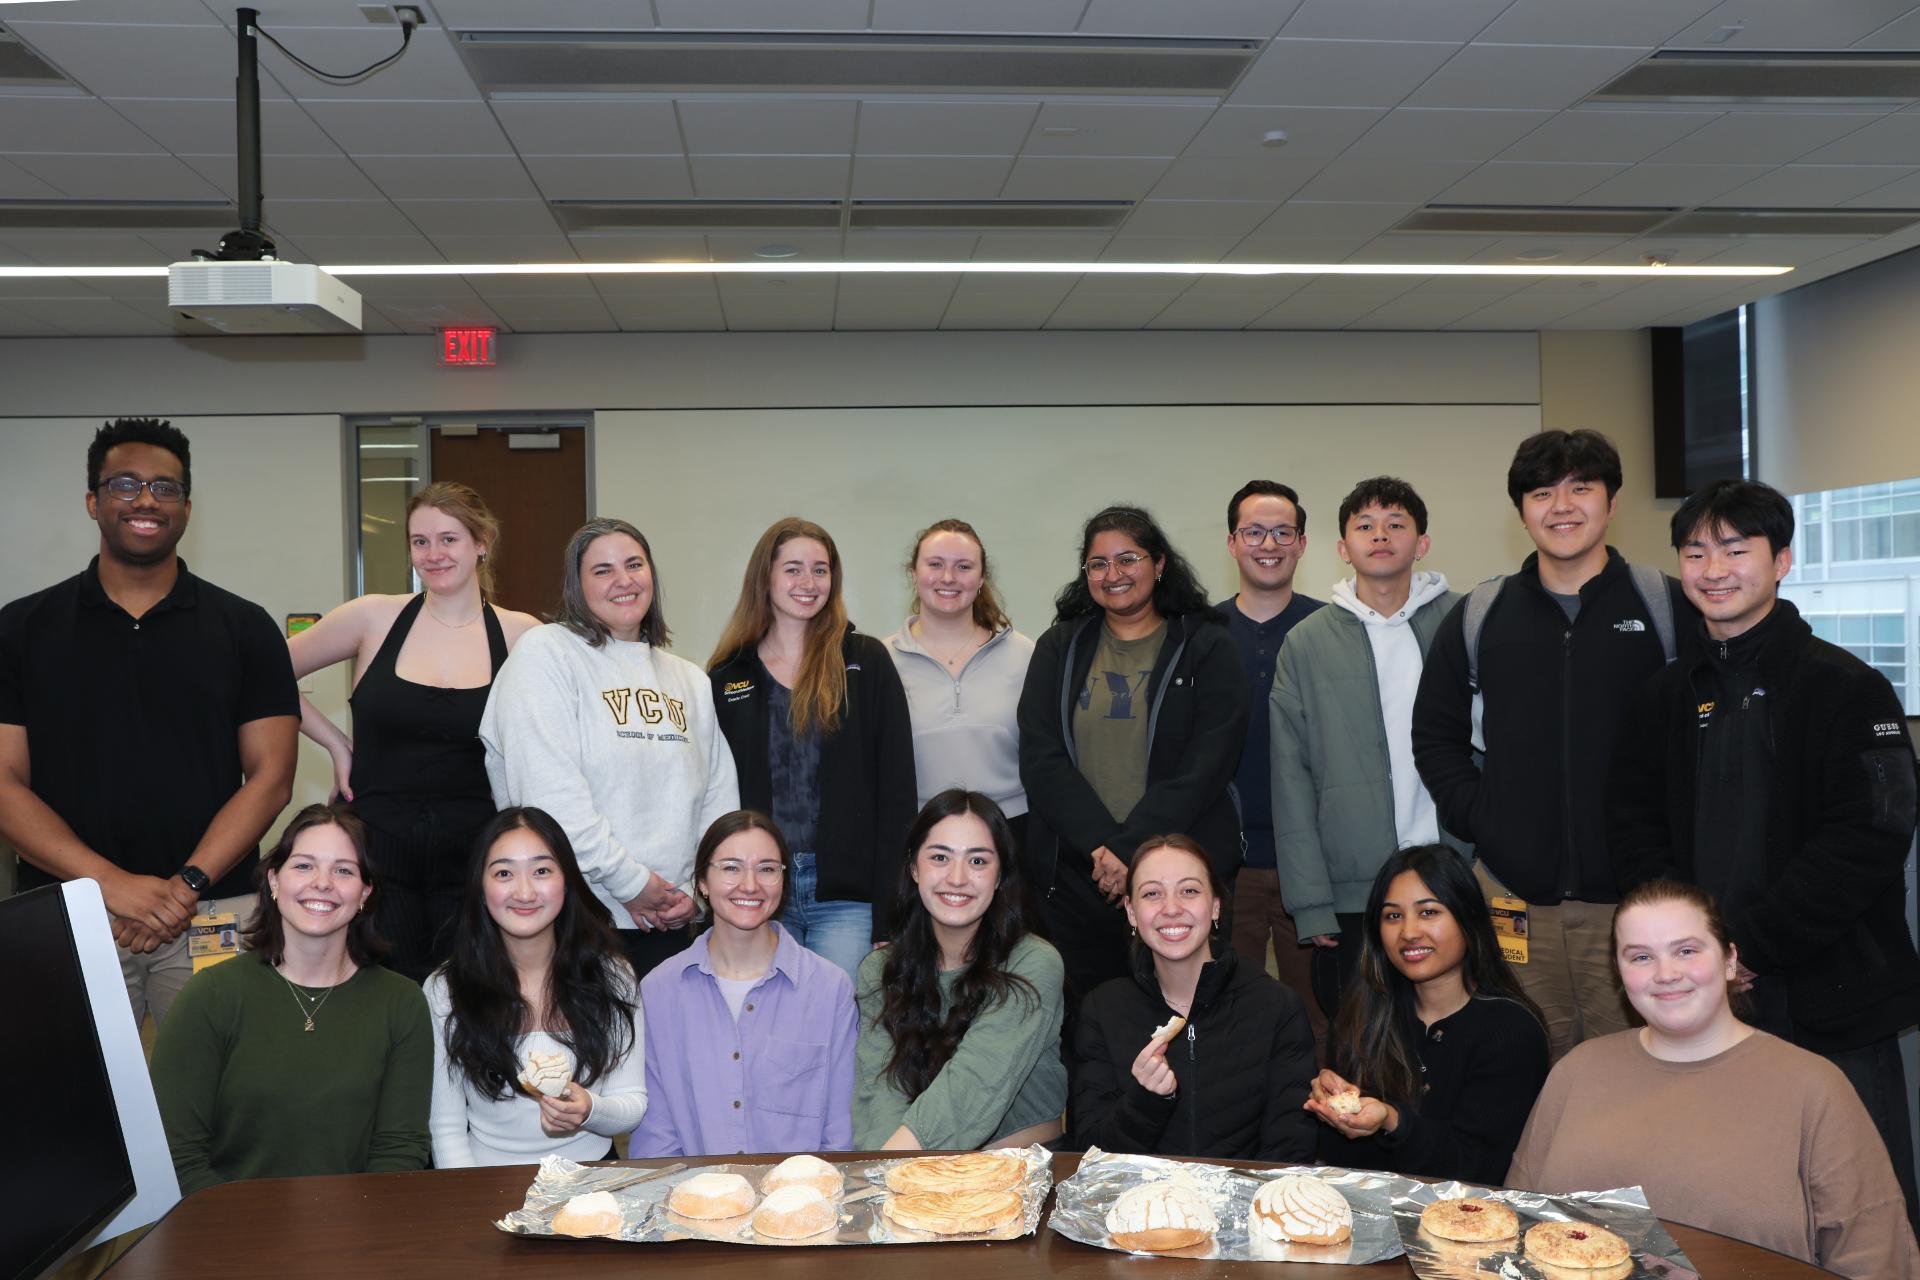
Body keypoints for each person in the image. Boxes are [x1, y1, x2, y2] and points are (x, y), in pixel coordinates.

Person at [1609, 478, 1920, 1225]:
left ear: (1780, 560)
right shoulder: (1664, 696)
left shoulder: (1848, 687)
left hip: (1830, 992)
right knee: (1721, 1197)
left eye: (1734, 548)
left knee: (1858, 1204)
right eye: (1695, 551)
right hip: (1702, 993)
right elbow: (1632, 826)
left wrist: (1751, 945)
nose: (1713, 568)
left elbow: (1869, 836)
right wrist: (1690, 955)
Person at [0, 417, 297, 1027]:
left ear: (187, 508)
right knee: (73, 1105)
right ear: (93, 500)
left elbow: (272, 776)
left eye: (165, 488)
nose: (145, 500)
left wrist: (182, 888)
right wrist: (111, 884)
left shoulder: (244, 628)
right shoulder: (22, 629)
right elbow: (3, 785)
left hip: (211, 912)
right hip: (66, 913)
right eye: (125, 484)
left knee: (215, 1107)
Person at [1411, 429, 1688, 1059]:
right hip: (1511, 899)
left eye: (1580, 488)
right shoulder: (1483, 613)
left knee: (1638, 1068)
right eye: (1542, 492)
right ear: (1522, 511)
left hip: (1634, 898)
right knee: (1527, 1067)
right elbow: (1435, 733)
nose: (1561, 505)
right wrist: (1483, 816)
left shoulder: (1664, 605)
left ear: (1611, 502)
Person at [1507, 880, 1920, 1279]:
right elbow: (1512, 1231)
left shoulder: (1814, 1088)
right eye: (1641, 957)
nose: (1666, 973)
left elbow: (1876, 1258)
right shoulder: (1576, 1072)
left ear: (1729, 960)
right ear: (1619, 971)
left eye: (1686, 950)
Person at [288, 481, 540, 983]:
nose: (433, 554)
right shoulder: (372, 617)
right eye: (419, 541)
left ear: (481, 541)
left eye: (449, 539)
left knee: (469, 1005)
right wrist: (335, 742)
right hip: (376, 856)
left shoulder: (524, 635)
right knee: (384, 1002)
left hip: (473, 860)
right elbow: (263, 675)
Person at [481, 518, 739, 979]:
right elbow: (548, 794)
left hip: (677, 925)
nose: (623, 580)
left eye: (634, 564)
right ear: (577, 586)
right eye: (602, 570)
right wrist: (631, 883)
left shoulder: (689, 679)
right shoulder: (546, 654)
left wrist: (698, 893)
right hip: (580, 922)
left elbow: (718, 797)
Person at [1017, 504, 1247, 1005]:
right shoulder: (1060, 647)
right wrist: (1104, 848)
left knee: (1189, 1014)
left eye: (1128, 559)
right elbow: (1040, 755)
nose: (1113, 574)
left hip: (1179, 876)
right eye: (1098, 564)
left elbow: (1207, 763)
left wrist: (1131, 850)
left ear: (1159, 563)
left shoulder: (1206, 645)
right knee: (1090, 1023)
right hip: (1079, 876)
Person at [151, 803, 432, 1193]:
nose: (322, 882)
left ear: (365, 893)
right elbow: (176, 1154)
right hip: (226, 1234)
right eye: (303, 866)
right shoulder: (212, 996)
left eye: (344, 870)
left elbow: (400, 1150)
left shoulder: (403, 1003)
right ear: (274, 881)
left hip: (356, 1232)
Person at [1270, 477, 1462, 1020]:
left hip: (1452, 872)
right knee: (1362, 1038)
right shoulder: (1306, 643)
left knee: (1455, 1026)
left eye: (1396, 524)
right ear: (1342, 547)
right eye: (1365, 526)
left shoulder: (1464, 622)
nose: (1381, 536)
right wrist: (1311, 906)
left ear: (1421, 543)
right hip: (1352, 890)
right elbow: (1291, 779)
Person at [708, 517, 917, 983]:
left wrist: (891, 909)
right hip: (757, 889)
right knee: (765, 1024)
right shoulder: (727, 676)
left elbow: (897, 789)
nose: (808, 583)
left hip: (846, 896)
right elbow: (709, 792)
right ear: (766, 577)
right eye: (793, 569)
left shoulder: (865, 661)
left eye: (820, 570)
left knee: (838, 1026)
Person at [1304, 844, 1548, 1185]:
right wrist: (1333, 1112)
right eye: (1393, 916)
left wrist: (1393, 1122)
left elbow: (1478, 1171)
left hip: (1471, 1226)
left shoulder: (1510, 1031)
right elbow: (1342, 1164)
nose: (1409, 932)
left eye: (1429, 912)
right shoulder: (1364, 1014)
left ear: (1468, 917)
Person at [1072, 834, 1316, 1162]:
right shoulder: (1102, 1009)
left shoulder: (1276, 1007)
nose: (1171, 908)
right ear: (1131, 911)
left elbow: (1291, 1150)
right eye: (1152, 894)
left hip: (1246, 1206)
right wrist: (1145, 1102)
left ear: (1215, 905)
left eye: (1189, 891)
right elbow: (1089, 1152)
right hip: (1139, 1207)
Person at [425, 806, 644, 1168]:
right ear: (481, 886)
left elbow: (632, 1103)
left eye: (541, 870)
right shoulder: (445, 988)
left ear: (567, 881)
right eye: (504, 873)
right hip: (483, 1182)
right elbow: (445, 1129)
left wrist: (590, 1109)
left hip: (594, 1180)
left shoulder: (613, 974)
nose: (524, 891)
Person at [633, 810, 858, 1156]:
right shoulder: (659, 990)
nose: (750, 885)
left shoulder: (829, 989)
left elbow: (838, 1130)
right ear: (702, 882)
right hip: (691, 1200)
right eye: (731, 868)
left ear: (784, 881)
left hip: (801, 1201)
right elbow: (656, 1137)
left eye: (767, 869)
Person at [853, 789, 1067, 1150]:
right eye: (940, 857)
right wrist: (882, 1174)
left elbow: (975, 1084)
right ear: (914, 868)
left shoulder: (1034, 962)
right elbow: (878, 1094)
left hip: (1019, 1174)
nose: (957, 878)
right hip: (911, 1170)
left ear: (1000, 876)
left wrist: (890, 1169)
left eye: (978, 861)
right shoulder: (880, 969)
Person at [1214, 480, 1326, 1055]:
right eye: (1254, 531)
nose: (1269, 543)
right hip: (1221, 868)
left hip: (1311, 866)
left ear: (1303, 544)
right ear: (1232, 542)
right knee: (1223, 1024)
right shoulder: (1198, 635)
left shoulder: (1331, 631)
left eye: (1283, 532)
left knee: (1319, 1020)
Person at [885, 518, 1035, 848]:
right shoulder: (881, 661)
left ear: (982, 578)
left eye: (963, 566)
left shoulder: (1026, 654)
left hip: (1013, 832)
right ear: (914, 574)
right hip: (916, 832)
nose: (948, 578)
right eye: (935, 564)